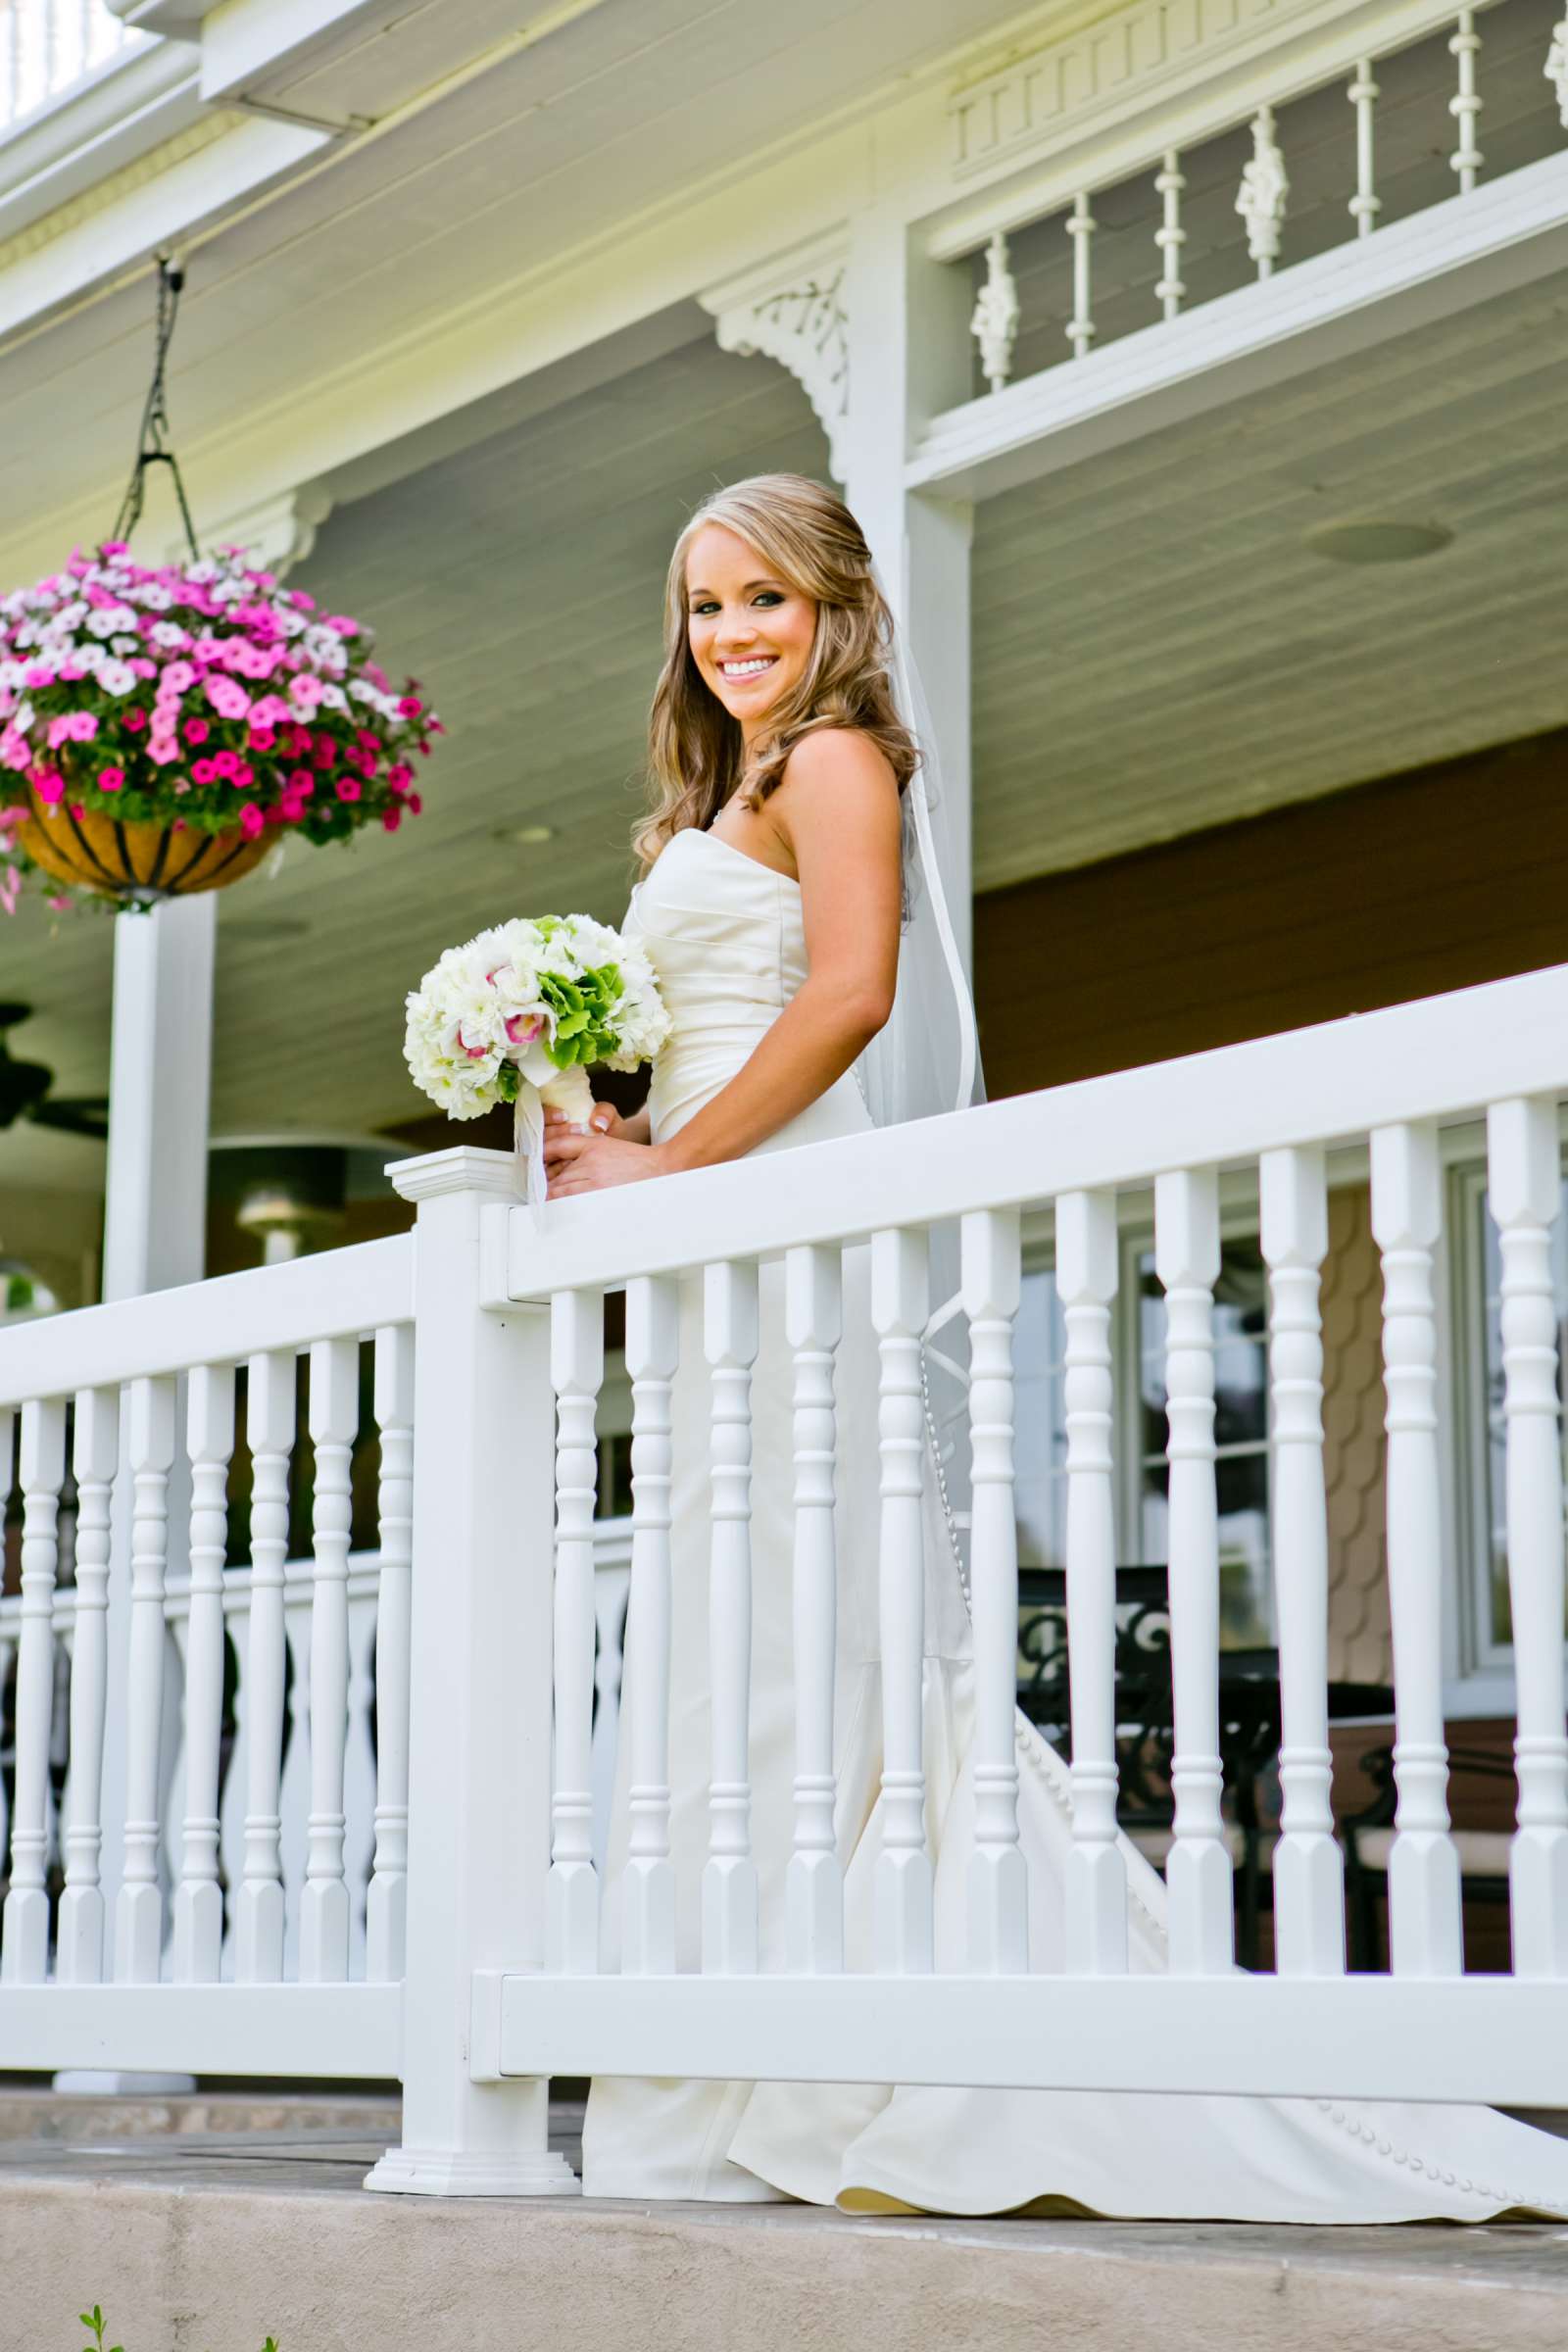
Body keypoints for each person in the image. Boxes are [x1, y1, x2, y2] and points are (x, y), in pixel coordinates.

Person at [540, 471, 1568, 2221]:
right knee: (741, 1616)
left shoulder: (836, 760)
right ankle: (729, 2051)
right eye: (704, 607)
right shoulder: (725, 797)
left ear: (836, 607)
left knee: (810, 1617)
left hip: (779, 1219)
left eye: (764, 601)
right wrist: (585, 1098)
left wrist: (670, 1180)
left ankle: (812, 2066)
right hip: (715, 1239)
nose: (731, 638)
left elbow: (851, 996)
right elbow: (711, 1023)